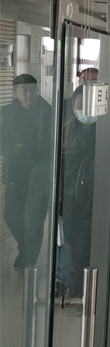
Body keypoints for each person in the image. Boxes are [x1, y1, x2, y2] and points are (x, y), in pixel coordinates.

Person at [0, 74, 53, 269]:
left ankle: (29, 262)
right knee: (11, 216)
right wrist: (10, 148)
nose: (28, 95)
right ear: (15, 93)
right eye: (24, 91)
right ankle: (26, 249)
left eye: (31, 90)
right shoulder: (5, 113)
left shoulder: (49, 112)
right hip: (15, 175)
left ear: (37, 90)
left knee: (34, 221)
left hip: (39, 176)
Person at [57, 85, 97, 297]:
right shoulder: (64, 133)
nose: (84, 110)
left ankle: (90, 293)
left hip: (96, 200)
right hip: (72, 202)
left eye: (88, 105)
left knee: (91, 247)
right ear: (73, 108)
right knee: (72, 248)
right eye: (80, 105)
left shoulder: (107, 133)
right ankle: (75, 292)